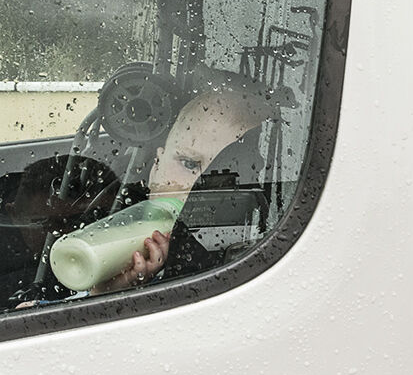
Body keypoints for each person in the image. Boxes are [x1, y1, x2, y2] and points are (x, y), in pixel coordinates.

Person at [87, 70, 276, 294]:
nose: (195, 185)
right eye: (188, 164)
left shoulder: (242, 250)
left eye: (221, 175)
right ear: (156, 166)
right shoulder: (114, 221)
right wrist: (107, 290)